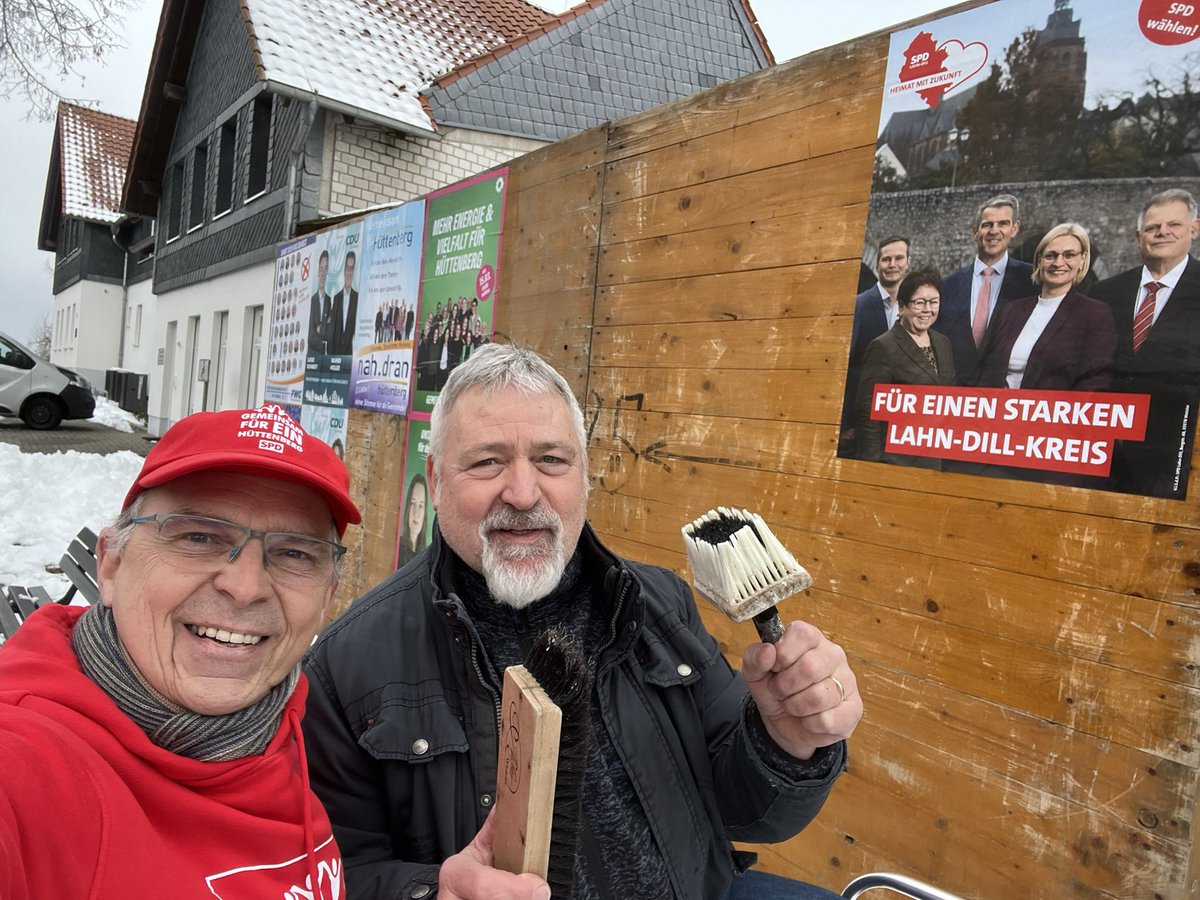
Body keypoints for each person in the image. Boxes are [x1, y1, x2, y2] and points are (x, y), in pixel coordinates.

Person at [302, 344, 862, 900]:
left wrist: (786, 745)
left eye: (551, 460)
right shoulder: (349, 664)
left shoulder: (660, 606)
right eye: (487, 461)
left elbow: (745, 812)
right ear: (437, 476)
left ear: (585, 474)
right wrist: (430, 893)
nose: (523, 494)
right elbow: (329, 872)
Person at [0, 404, 362, 898]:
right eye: (199, 536)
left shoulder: (287, 724)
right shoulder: (26, 772)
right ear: (111, 565)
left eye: (295, 552)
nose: (246, 586)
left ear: (327, 597)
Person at [1090, 188, 1200, 498]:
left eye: (1174, 225)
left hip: (1175, 456)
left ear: (1194, 228)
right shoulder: (1104, 293)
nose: (1162, 232)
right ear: (1139, 235)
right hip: (1103, 453)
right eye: (1152, 227)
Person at [976, 223, 1116, 392]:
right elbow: (988, 369)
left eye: (1069, 255)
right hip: (998, 412)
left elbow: (1095, 380)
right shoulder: (1011, 310)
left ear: (1082, 260)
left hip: (1052, 415)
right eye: (1050, 255)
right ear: (1040, 261)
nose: (1058, 263)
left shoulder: (1095, 314)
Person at [856, 268, 957, 467]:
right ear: (902, 307)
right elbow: (868, 413)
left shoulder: (943, 342)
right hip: (896, 460)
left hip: (934, 457)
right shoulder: (883, 346)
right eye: (919, 303)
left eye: (934, 302)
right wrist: (870, 468)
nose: (928, 309)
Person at [934, 193, 1035, 385]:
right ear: (975, 232)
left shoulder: (1031, 282)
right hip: (954, 395)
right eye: (987, 225)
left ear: (1015, 229)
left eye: (1003, 224)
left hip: (1005, 397)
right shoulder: (947, 286)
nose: (994, 231)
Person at [841, 236, 912, 454]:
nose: (892, 265)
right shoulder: (859, 305)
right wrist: (845, 423)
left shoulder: (915, 308)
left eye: (899, 258)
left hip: (899, 422)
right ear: (877, 264)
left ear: (908, 262)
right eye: (886, 259)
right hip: (861, 422)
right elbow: (843, 367)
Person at [396, 472, 429, 567]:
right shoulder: (397, 548)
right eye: (413, 503)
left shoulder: (428, 557)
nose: (416, 512)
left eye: (421, 506)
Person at [331, 250, 359, 355]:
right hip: (335, 354)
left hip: (351, 356)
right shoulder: (337, 298)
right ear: (344, 270)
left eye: (352, 269)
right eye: (347, 268)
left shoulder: (357, 298)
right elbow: (332, 330)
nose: (349, 273)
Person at [308, 249, 333, 354]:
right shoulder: (312, 301)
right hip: (312, 357)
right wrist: (323, 341)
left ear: (328, 272)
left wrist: (319, 328)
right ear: (318, 272)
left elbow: (330, 332)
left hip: (324, 357)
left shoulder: (329, 300)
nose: (323, 273)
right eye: (321, 269)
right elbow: (311, 336)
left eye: (325, 269)